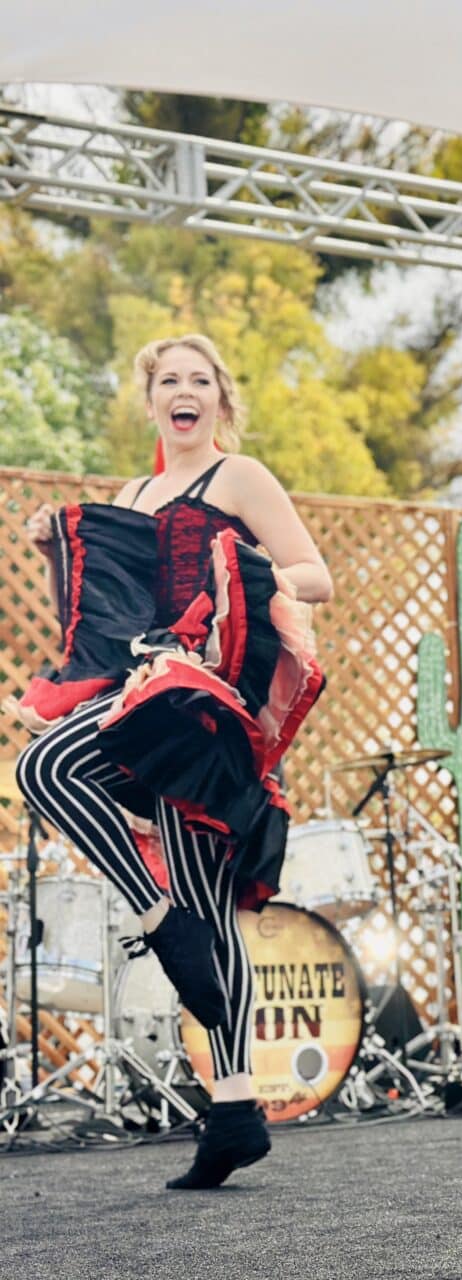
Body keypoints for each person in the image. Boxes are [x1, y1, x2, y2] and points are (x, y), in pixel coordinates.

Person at [17, 334, 330, 1187]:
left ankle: (229, 1102)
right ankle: (168, 934)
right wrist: (52, 556)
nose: (183, 391)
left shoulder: (240, 476)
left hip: (205, 696)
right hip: (139, 687)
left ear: (219, 399)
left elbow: (316, 574)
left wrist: (247, 580)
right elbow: (92, 614)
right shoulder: (132, 493)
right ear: (151, 399)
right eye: (168, 380)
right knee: (48, 769)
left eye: (199, 379)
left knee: (203, 903)